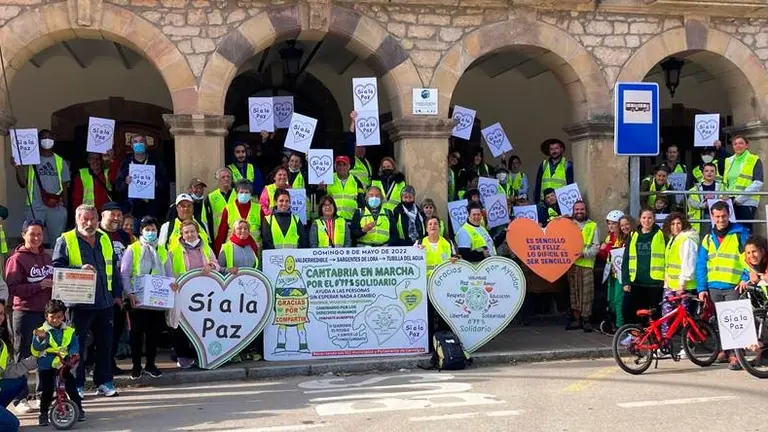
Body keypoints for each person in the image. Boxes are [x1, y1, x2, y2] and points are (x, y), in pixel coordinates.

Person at [52, 204, 122, 397]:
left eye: (93, 219)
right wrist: (78, 270)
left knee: (105, 344)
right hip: (78, 303)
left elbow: (113, 268)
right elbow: (57, 269)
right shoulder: (65, 240)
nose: (89, 223)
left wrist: (117, 294)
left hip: (104, 301)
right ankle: (77, 385)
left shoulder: (104, 238)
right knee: (76, 346)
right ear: (77, 220)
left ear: (98, 220)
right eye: (85, 219)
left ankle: (104, 382)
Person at [4, 220, 52, 412]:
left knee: (43, 354)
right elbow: (12, 288)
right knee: (22, 354)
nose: (36, 238)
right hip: (24, 313)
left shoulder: (47, 258)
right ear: (24, 234)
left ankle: (41, 395)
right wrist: (39, 286)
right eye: (32, 234)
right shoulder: (16, 259)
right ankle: (19, 399)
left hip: (44, 314)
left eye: (39, 234)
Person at [696, 200, 749, 370]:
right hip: (714, 286)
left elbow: (749, 259)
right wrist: (702, 288)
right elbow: (701, 264)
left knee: (736, 321)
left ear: (729, 215)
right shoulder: (707, 238)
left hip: (734, 285)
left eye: (724, 216)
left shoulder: (740, 234)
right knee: (720, 321)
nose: (721, 219)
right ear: (712, 217)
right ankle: (725, 351)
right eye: (717, 216)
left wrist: (745, 278)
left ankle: (737, 356)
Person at [166, 220, 219, 368]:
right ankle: (183, 355)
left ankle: (200, 355)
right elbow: (169, 272)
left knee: (201, 324)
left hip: (204, 294)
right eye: (186, 232)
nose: (190, 235)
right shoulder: (173, 251)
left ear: (197, 232)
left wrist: (211, 266)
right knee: (181, 325)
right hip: (183, 293)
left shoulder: (206, 247)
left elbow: (217, 264)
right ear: (182, 234)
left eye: (192, 231)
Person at [120, 216, 167, 380]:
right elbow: (125, 274)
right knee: (136, 334)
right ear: (141, 231)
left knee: (154, 334)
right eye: (147, 230)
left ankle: (151, 364)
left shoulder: (162, 249)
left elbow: (168, 273)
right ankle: (136, 365)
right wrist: (129, 293)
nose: (150, 232)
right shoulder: (133, 249)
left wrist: (172, 286)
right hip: (137, 300)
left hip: (157, 299)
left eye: (153, 230)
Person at [31, 300, 85, 426]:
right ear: (46, 316)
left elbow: (73, 345)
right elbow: (36, 349)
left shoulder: (69, 331)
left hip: (63, 364)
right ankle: (43, 414)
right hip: (46, 364)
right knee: (47, 390)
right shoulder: (40, 331)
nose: (55, 320)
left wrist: (73, 354)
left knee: (71, 387)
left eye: (59, 317)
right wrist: (41, 339)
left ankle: (79, 409)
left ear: (64, 316)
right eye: (52, 317)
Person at [13, 129, 70, 247]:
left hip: (56, 206)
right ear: (38, 141)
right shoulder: (30, 160)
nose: (47, 140)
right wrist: (17, 167)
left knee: (58, 242)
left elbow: (65, 186)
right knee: (32, 239)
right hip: (35, 206)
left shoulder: (60, 161)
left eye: (50, 137)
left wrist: (65, 207)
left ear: (54, 140)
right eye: (44, 137)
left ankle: (55, 264)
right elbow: (23, 184)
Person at [115, 134, 169, 233]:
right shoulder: (126, 163)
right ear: (131, 145)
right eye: (135, 142)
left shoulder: (156, 162)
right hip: (132, 211)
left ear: (146, 145)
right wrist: (125, 182)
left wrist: (157, 183)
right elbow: (118, 187)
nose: (138, 144)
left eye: (141, 142)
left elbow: (165, 183)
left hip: (152, 210)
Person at [621, 209, 665, 327]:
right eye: (644, 218)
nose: (647, 220)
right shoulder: (633, 235)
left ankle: (656, 340)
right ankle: (638, 338)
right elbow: (626, 259)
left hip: (655, 283)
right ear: (640, 219)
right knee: (637, 313)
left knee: (655, 314)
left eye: (650, 218)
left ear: (654, 219)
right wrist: (626, 281)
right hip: (637, 281)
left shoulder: (661, 235)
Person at [0, 305, 38, 432]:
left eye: (1, 313)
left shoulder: (2, 343)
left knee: (19, 380)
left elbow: (8, 371)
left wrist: (35, 361)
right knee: (11, 425)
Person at [566, 201, 600, 332]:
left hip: (586, 264)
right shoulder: (568, 224)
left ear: (586, 211)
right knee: (574, 293)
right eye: (577, 209)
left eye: (582, 209)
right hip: (571, 265)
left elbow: (596, 247)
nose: (579, 211)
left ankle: (586, 320)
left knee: (586, 294)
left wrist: (583, 254)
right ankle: (576, 319)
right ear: (573, 211)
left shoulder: (592, 225)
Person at [738, 235, 768, 364]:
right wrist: (744, 281)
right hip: (763, 294)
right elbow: (746, 274)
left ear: (762, 251)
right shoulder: (745, 261)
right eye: (748, 252)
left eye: (754, 251)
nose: (751, 255)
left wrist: (764, 277)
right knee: (742, 299)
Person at [723, 135, 763, 231]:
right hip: (729, 201)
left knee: (745, 232)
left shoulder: (754, 159)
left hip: (746, 202)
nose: (738, 146)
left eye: (741, 143)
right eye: (735, 144)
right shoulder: (728, 161)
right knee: (731, 232)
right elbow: (725, 182)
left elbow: (758, 183)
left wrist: (739, 199)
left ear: (747, 145)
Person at [598, 213, 630, 329]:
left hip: (621, 274)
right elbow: (605, 255)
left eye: (614, 223)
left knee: (618, 300)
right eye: (609, 223)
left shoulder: (626, 238)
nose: (611, 226)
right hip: (611, 272)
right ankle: (613, 321)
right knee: (610, 300)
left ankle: (620, 326)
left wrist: (605, 248)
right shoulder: (609, 237)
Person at [214, 180, 262, 253]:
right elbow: (222, 233)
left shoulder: (258, 209)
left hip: (254, 249)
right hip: (232, 250)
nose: (244, 195)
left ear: (250, 194)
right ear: (236, 193)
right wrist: (217, 252)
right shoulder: (228, 209)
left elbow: (265, 232)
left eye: (246, 192)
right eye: (241, 192)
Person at [323, 156, 365, 221]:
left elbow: (361, 203)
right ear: (335, 166)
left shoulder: (356, 181)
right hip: (332, 219)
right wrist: (320, 190)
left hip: (351, 220)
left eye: (344, 165)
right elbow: (322, 199)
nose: (341, 167)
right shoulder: (328, 179)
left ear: (349, 166)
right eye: (339, 165)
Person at [687, 162, 724, 233]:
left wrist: (725, 198)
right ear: (703, 173)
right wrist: (704, 205)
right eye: (706, 171)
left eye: (712, 171)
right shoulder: (695, 189)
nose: (709, 173)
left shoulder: (721, 186)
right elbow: (692, 203)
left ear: (716, 173)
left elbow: (724, 200)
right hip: (701, 219)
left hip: (716, 217)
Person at [534, 138, 573, 203]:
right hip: (544, 202)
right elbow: (538, 185)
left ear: (561, 149)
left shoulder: (567, 165)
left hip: (560, 202)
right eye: (551, 149)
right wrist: (536, 201)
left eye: (556, 148)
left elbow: (570, 185)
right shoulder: (543, 165)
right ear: (549, 151)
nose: (554, 151)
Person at [205, 168, 236, 241]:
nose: (226, 179)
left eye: (228, 177)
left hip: (236, 233)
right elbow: (206, 220)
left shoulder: (238, 194)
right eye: (223, 177)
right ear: (218, 180)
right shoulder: (211, 197)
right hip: (218, 235)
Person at [348, 112, 373, 189]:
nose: (361, 149)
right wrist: (353, 122)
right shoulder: (351, 160)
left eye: (363, 147)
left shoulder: (367, 161)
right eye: (358, 146)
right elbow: (350, 141)